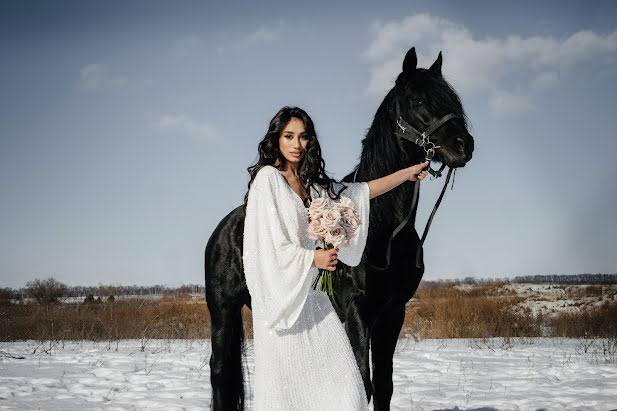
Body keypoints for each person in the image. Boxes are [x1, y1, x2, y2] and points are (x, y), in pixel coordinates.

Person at [242, 106, 428, 410]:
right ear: (276, 138)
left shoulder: (312, 184)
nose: (296, 144)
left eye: (303, 137)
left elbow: (362, 191)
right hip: (283, 300)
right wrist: (312, 259)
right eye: (289, 136)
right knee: (290, 393)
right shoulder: (268, 180)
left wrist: (407, 174)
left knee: (346, 388)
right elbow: (268, 245)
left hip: (315, 300)